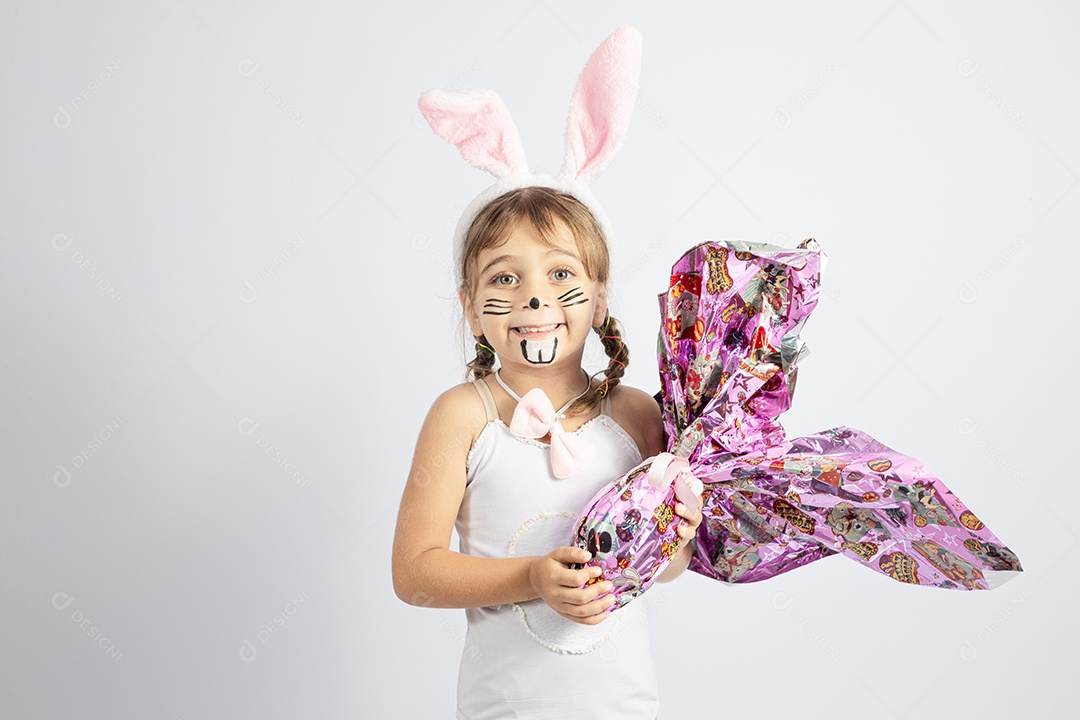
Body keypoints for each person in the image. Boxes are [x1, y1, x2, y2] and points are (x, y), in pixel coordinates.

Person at [392, 185, 703, 719]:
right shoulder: (462, 415)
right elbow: (414, 573)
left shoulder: (636, 415)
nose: (533, 297)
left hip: (623, 707)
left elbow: (666, 568)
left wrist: (680, 533)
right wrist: (531, 578)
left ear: (599, 299)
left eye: (560, 272)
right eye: (504, 278)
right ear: (471, 308)